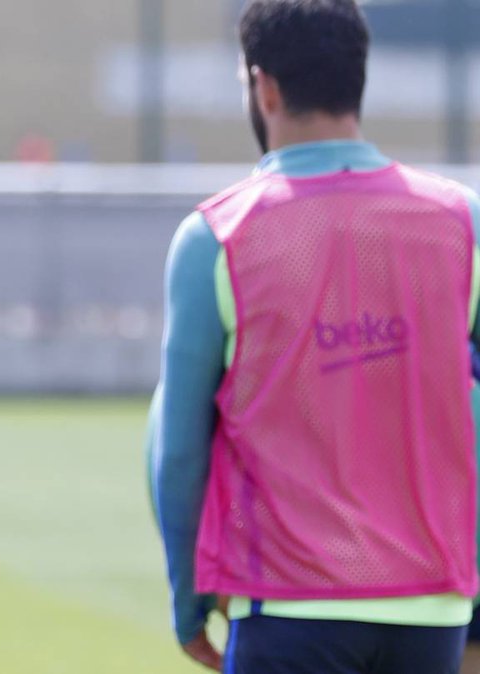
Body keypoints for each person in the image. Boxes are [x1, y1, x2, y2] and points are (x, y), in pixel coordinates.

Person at [149, 1, 480, 672]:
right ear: (359, 76)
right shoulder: (463, 223)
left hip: (285, 605)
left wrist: (189, 601)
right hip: (434, 610)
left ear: (263, 87)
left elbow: (177, 449)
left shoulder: (217, 237)